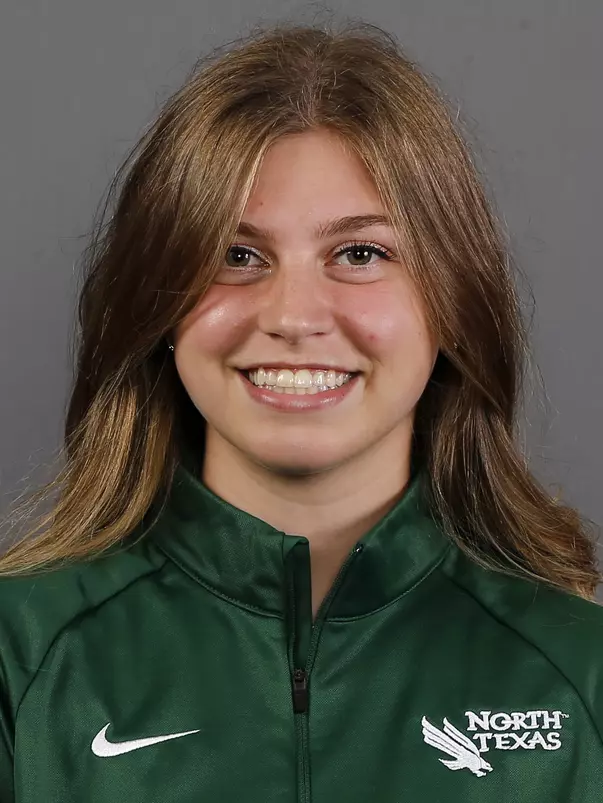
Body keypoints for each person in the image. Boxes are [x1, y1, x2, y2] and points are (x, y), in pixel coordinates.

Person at [0, 19, 601, 802]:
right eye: (235, 254)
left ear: (453, 300)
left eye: (360, 254)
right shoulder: (21, 660)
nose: (292, 314)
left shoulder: (579, 674)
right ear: (159, 304)